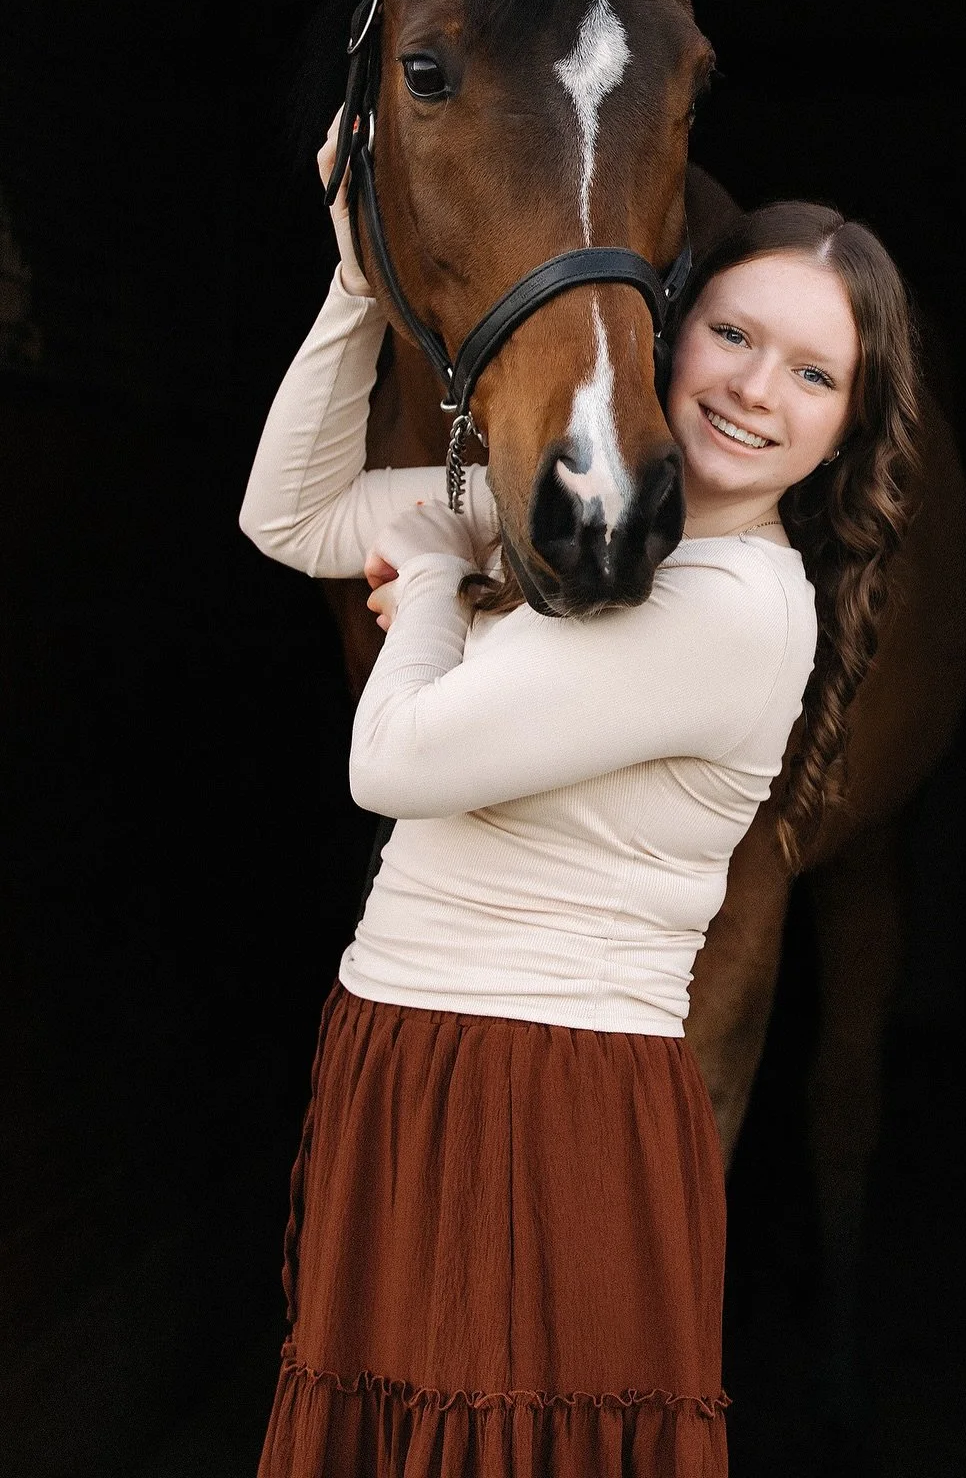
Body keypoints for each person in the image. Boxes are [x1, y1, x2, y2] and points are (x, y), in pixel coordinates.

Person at [238, 116, 923, 1478]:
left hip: (539, 1099)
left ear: (848, 425)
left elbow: (393, 763)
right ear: (662, 327)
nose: (753, 389)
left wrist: (431, 583)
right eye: (730, 335)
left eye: (811, 372)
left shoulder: (735, 608)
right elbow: (291, 519)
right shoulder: (594, 525)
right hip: (415, 1057)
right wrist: (354, 288)